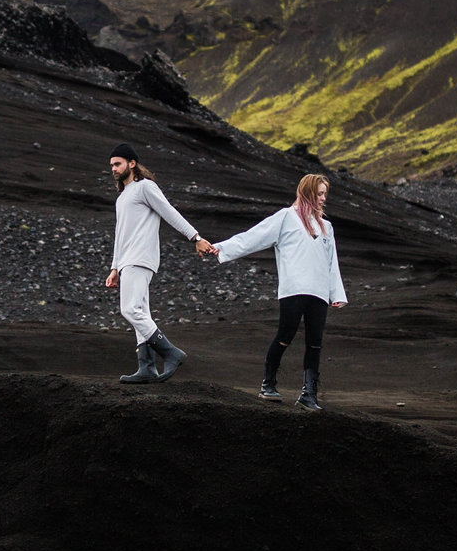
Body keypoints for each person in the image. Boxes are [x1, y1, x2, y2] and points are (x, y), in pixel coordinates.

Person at [207, 173, 345, 410]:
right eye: (319, 193)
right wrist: (220, 249)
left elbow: (332, 263)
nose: (323, 199)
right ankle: (268, 385)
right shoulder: (286, 218)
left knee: (315, 343)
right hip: (293, 289)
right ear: (308, 192)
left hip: (319, 292)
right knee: (285, 335)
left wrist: (337, 294)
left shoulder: (327, 228)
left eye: (325, 194)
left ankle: (309, 394)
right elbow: (254, 237)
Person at [104, 143, 203, 384]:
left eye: (118, 164)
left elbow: (169, 212)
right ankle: (146, 366)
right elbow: (120, 234)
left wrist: (196, 237)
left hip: (141, 257)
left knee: (130, 310)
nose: (114, 169)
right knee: (141, 312)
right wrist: (115, 267)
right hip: (127, 260)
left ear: (132, 163)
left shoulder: (145, 187)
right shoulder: (122, 197)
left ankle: (171, 353)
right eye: (111, 166)